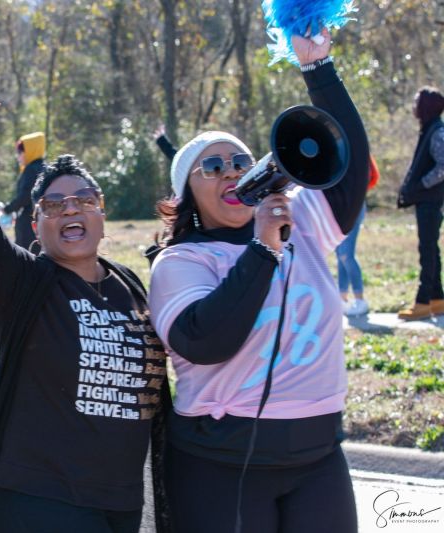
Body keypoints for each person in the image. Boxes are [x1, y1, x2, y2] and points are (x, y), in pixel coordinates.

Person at [148, 30, 367, 533]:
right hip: (220, 462)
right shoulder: (181, 261)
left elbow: (346, 165)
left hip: (318, 454)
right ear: (187, 196)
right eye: (212, 167)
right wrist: (264, 248)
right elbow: (205, 340)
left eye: (241, 162)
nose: (231, 173)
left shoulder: (299, 220)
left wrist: (319, 69)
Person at [0, 68, 171, 533]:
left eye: (85, 200)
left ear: (102, 214)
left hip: (121, 502)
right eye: (54, 205)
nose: (71, 209)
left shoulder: (132, 288)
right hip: (40, 500)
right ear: (36, 227)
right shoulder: (25, 282)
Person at [397, 86, 444, 320]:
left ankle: (423, 301)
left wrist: (421, 185)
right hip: (427, 201)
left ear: (426, 106)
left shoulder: (437, 132)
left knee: (427, 249)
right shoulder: (429, 130)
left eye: (417, 101)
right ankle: (437, 299)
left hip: (431, 201)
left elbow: (443, 167)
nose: (414, 105)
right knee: (430, 247)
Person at [337, 155, 379, 316]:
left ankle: (360, 299)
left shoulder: (359, 152)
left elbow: (371, 176)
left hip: (354, 206)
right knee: (340, 254)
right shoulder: (341, 149)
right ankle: (342, 299)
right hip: (340, 207)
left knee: (346, 254)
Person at [3, 131, 46, 250]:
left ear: (29, 151)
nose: (18, 156)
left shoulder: (31, 169)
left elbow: (25, 197)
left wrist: (8, 208)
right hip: (43, 222)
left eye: (20, 152)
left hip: (28, 224)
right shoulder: (45, 168)